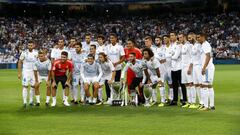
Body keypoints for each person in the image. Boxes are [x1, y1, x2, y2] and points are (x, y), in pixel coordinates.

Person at [197, 33, 215, 111]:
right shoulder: (204, 45)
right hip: (209, 67)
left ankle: (206, 106)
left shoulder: (205, 44)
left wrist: (204, 67)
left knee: (204, 86)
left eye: (199, 37)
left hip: (207, 68)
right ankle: (212, 105)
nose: (197, 39)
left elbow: (208, 56)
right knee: (209, 86)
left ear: (203, 37)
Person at [178, 33, 197, 108]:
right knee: (186, 85)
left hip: (188, 67)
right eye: (179, 38)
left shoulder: (189, 45)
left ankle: (193, 102)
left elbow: (192, 57)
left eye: (181, 37)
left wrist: (190, 67)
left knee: (191, 84)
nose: (180, 39)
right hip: (183, 67)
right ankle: (189, 102)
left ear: (184, 37)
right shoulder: (182, 46)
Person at [18, 40, 38, 107]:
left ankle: (31, 101)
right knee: (25, 86)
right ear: (27, 46)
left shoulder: (36, 53)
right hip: (26, 72)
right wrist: (19, 73)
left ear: (34, 46)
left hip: (34, 72)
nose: (30, 46)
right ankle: (24, 102)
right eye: (29, 45)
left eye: (31, 45)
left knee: (33, 87)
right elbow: (20, 62)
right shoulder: (24, 53)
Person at [169, 32, 187, 106]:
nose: (171, 37)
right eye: (170, 36)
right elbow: (170, 54)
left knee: (182, 84)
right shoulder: (172, 45)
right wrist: (171, 55)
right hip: (173, 68)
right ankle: (175, 100)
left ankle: (184, 99)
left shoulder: (179, 45)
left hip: (179, 67)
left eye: (173, 35)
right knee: (174, 85)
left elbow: (175, 57)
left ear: (176, 36)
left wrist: (170, 55)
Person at [123, 39, 143, 103]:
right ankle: (135, 99)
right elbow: (124, 69)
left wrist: (143, 80)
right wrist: (123, 78)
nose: (128, 45)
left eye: (130, 43)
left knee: (141, 88)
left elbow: (143, 69)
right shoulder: (125, 51)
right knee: (130, 86)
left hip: (141, 75)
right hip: (133, 74)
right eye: (127, 43)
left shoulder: (138, 52)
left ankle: (143, 99)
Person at [188, 32, 203, 108]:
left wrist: (203, 66)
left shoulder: (199, 45)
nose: (189, 39)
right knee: (196, 84)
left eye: (190, 38)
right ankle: (200, 102)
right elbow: (191, 58)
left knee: (201, 84)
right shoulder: (191, 46)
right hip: (194, 67)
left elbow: (202, 55)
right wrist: (190, 67)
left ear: (194, 37)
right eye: (188, 38)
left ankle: (203, 102)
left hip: (199, 66)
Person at [154, 36, 167, 107]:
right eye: (155, 40)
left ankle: (163, 101)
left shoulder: (164, 48)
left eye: (158, 40)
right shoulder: (154, 49)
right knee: (160, 84)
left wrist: (159, 60)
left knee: (161, 84)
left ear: (161, 41)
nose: (156, 42)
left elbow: (164, 59)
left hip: (163, 68)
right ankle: (164, 99)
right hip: (156, 68)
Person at [162, 35, 174, 103]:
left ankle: (171, 98)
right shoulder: (163, 48)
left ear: (169, 39)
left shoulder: (172, 46)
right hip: (164, 68)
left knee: (171, 84)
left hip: (171, 67)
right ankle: (166, 98)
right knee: (165, 83)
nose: (164, 40)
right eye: (163, 39)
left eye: (166, 38)